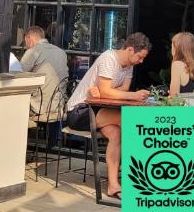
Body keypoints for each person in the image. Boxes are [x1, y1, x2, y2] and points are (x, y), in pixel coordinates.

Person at [65, 32, 152, 199]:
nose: (141, 61)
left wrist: (107, 93)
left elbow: (122, 90)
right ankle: (139, 175)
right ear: (130, 49)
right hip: (79, 111)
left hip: (99, 109)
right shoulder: (109, 58)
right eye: (140, 57)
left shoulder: (129, 66)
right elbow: (114, 92)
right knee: (132, 121)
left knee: (116, 133)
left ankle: (113, 185)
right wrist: (127, 95)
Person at [19, 26, 69, 117]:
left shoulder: (33, 51)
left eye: (25, 40)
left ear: (29, 38)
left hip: (39, 107)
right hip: (59, 106)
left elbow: (18, 76)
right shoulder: (61, 52)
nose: (24, 44)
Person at [168, 31, 194, 97]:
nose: (171, 50)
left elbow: (173, 97)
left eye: (172, 46)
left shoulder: (177, 64)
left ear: (178, 48)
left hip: (185, 107)